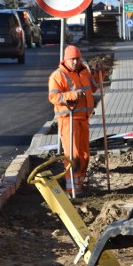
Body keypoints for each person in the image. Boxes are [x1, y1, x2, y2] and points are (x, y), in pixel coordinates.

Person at [48, 45, 98, 196]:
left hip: (83, 119)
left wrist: (99, 73)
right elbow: (53, 97)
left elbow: (94, 87)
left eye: (77, 59)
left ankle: (79, 184)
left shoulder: (84, 72)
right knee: (73, 155)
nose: (75, 62)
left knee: (84, 154)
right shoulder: (58, 76)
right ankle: (71, 188)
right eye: (72, 60)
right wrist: (72, 95)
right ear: (66, 60)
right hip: (68, 119)